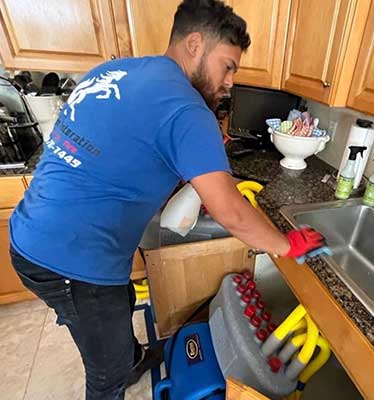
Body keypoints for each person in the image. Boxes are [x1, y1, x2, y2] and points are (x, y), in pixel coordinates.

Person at [8, 0, 327, 399]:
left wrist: (192, 165)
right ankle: (120, 368)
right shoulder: (187, 109)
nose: (230, 81)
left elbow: (121, 148)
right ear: (195, 44)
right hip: (72, 260)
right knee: (105, 376)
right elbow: (232, 212)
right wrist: (286, 244)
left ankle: (131, 357)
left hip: (31, 233)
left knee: (120, 297)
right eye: (227, 66)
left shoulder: (115, 70)